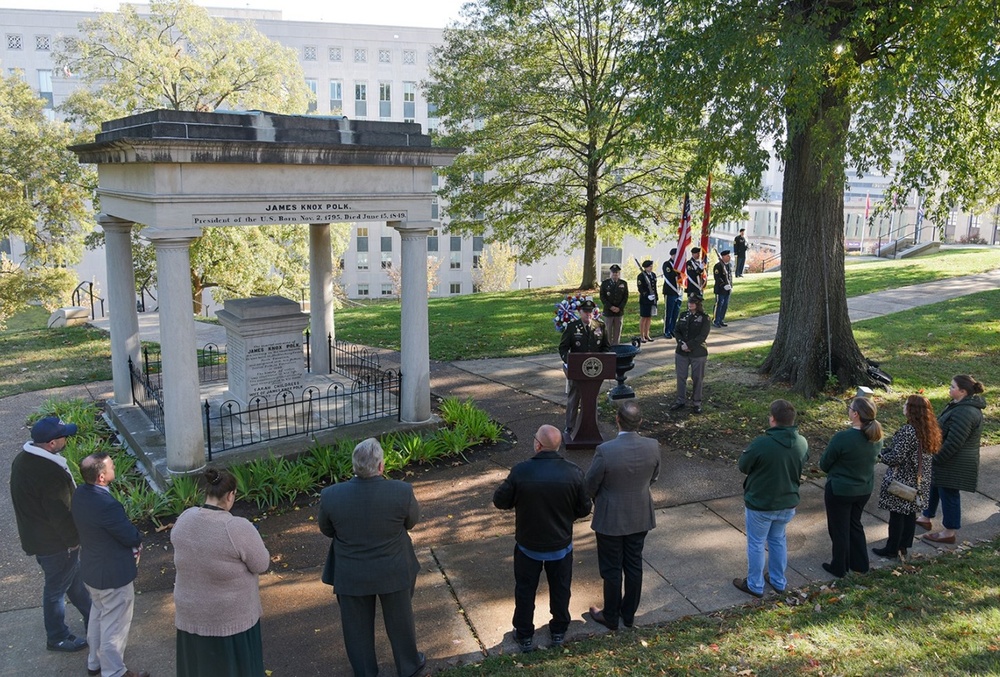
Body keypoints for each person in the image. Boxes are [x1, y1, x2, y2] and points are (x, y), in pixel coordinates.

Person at [318, 439, 425, 677]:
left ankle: (365, 672)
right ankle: (408, 665)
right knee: (401, 621)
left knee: (356, 629)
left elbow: (327, 530)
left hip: (351, 573)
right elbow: (411, 522)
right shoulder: (401, 491)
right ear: (381, 466)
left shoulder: (331, 496)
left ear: (354, 466)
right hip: (394, 568)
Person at [493, 424, 592, 652]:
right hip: (561, 545)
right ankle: (558, 629)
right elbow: (584, 508)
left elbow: (500, 501)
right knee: (560, 588)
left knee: (525, 590)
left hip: (529, 545)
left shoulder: (521, 471)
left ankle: (525, 634)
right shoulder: (574, 472)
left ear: (538, 444)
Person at [171, 468, 270, 677]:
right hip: (230, 621)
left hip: (190, 616)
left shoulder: (185, 518)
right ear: (230, 495)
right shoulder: (236, 527)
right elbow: (261, 564)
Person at [10, 416, 91, 653]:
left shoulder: (23, 460)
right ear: (52, 443)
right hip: (56, 544)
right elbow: (60, 513)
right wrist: (73, 542)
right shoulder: (48, 473)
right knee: (55, 590)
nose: (67, 438)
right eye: (64, 435)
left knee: (73, 581)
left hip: (40, 538)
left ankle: (92, 615)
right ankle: (57, 637)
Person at [584, 402, 660, 630]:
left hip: (610, 518)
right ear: (641, 422)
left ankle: (610, 615)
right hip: (640, 514)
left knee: (611, 568)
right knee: (634, 564)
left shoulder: (605, 450)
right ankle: (628, 615)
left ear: (617, 419)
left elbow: (590, 485)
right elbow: (654, 477)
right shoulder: (653, 446)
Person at [71, 452, 148, 677]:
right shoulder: (106, 504)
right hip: (113, 575)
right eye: (111, 466)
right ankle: (114, 671)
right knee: (115, 625)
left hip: (92, 570)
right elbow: (129, 536)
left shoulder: (80, 494)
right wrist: (137, 536)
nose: (115, 468)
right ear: (102, 477)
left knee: (97, 616)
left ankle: (94, 663)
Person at [733, 400, 809, 598]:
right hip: (788, 502)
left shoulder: (762, 443)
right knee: (777, 540)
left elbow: (744, 466)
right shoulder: (802, 442)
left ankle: (755, 584)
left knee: (756, 543)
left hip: (761, 503)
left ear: (772, 419)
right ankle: (778, 580)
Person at [919, 375, 987, 545]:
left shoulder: (966, 412)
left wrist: (936, 457)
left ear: (962, 391)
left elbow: (954, 442)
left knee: (949, 494)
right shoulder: (959, 405)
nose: (949, 388)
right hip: (946, 460)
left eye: (953, 386)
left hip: (953, 462)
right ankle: (925, 517)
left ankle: (949, 531)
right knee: (934, 486)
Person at [819, 397, 883, 578]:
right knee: (855, 525)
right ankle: (860, 563)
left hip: (840, 490)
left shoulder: (843, 438)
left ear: (855, 414)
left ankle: (839, 566)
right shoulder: (876, 438)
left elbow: (824, 464)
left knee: (839, 529)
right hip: (863, 489)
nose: (848, 410)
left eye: (850, 408)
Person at [873, 395, 941, 559]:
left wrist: (880, 456)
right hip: (918, 481)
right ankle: (903, 546)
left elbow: (897, 457)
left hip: (903, 480)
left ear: (912, 410)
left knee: (897, 516)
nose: (903, 406)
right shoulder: (927, 430)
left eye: (906, 404)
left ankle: (891, 549)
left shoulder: (908, 431)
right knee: (909, 515)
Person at [558, 298, 611, 435]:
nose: (588, 315)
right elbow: (563, 348)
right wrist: (568, 362)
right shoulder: (572, 327)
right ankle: (569, 426)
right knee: (574, 397)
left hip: (594, 370)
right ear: (579, 312)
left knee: (592, 397)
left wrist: (603, 360)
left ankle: (591, 425)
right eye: (585, 312)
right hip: (577, 370)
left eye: (590, 312)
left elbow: (605, 347)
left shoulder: (600, 326)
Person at [670, 296, 711, 414]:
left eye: (693, 303)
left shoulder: (704, 318)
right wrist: (681, 343)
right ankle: (680, 400)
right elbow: (677, 331)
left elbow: (702, 336)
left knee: (697, 378)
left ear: (698, 304)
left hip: (698, 352)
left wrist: (689, 345)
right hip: (681, 351)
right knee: (681, 376)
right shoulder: (683, 315)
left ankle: (696, 402)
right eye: (689, 302)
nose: (690, 305)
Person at [599, 264, 629, 345]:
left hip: (619, 311)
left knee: (617, 331)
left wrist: (619, 307)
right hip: (608, 311)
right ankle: (608, 347)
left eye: (617, 274)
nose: (615, 275)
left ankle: (616, 347)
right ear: (610, 274)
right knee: (608, 331)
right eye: (613, 274)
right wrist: (611, 307)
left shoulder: (623, 283)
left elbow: (625, 297)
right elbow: (602, 297)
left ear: (619, 274)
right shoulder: (605, 283)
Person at [661, 249, 682, 338]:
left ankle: (673, 329)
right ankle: (667, 330)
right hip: (670, 291)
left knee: (675, 313)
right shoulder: (667, 264)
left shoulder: (680, 265)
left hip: (679, 291)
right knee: (669, 312)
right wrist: (678, 270)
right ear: (672, 255)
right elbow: (670, 275)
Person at [636, 259, 658, 342]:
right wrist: (646, 295)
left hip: (652, 299)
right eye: (649, 266)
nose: (651, 268)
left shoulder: (653, 275)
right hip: (645, 300)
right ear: (645, 267)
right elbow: (640, 288)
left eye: (651, 266)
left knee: (649, 317)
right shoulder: (641, 276)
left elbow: (654, 287)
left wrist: (656, 297)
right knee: (644, 317)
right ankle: (642, 336)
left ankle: (647, 334)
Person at [712, 250, 733, 328]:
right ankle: (715, 320)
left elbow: (730, 277)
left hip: (727, 290)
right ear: (723, 257)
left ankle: (721, 320)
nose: (729, 257)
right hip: (720, 289)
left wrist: (731, 286)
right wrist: (723, 285)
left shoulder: (728, 265)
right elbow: (717, 277)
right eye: (728, 256)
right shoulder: (718, 266)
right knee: (719, 305)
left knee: (725, 305)